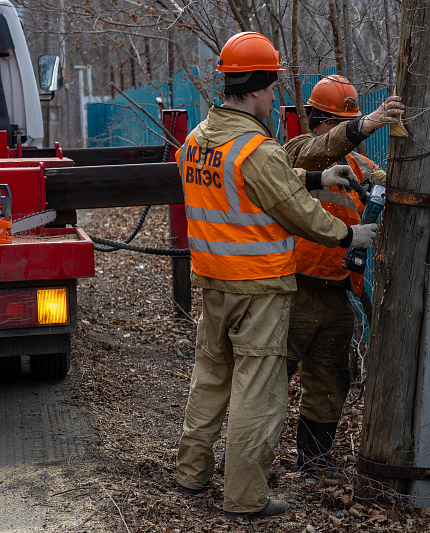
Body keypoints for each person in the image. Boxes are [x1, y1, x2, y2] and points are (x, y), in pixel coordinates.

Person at [174, 33, 378, 519]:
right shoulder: (256, 148)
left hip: (213, 283)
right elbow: (297, 213)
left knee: (210, 378)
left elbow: (250, 185)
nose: (272, 98)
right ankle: (245, 497)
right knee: (258, 392)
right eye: (269, 89)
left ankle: (191, 473)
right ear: (255, 87)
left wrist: (317, 177)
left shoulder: (196, 141)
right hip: (259, 287)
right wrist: (348, 236)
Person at [282, 75, 404, 471]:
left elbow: (397, 187)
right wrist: (365, 124)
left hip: (337, 291)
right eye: (338, 124)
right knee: (271, 376)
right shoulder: (296, 153)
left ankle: (314, 461)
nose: (342, 135)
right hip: (293, 287)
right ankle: (248, 462)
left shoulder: (361, 167)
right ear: (318, 120)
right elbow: (319, 150)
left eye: (346, 125)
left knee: (330, 380)